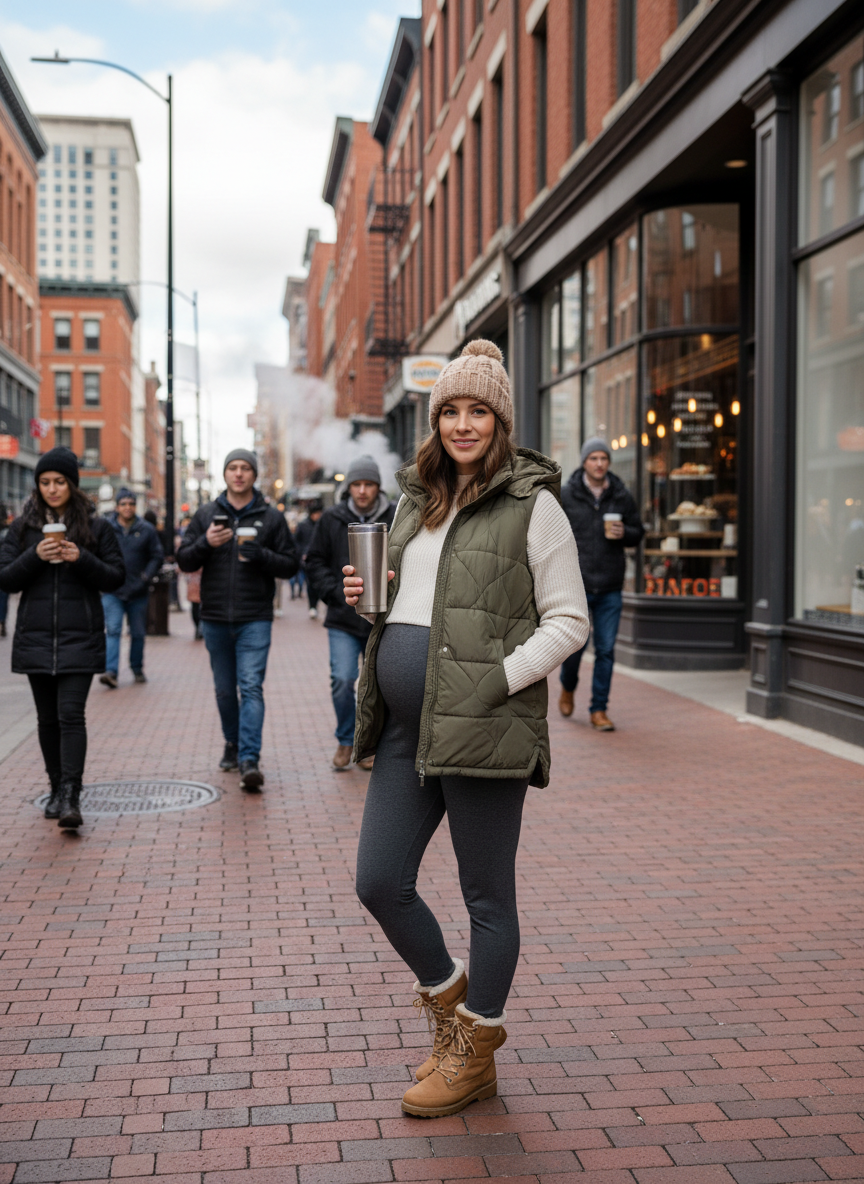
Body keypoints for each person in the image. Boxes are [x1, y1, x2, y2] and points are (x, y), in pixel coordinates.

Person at [342, 341, 589, 1118]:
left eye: (477, 410)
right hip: (409, 731)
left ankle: (475, 1052)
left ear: (500, 420)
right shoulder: (417, 501)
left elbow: (570, 621)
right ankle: (455, 1010)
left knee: (487, 897)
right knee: (379, 881)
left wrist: (494, 681)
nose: (461, 423)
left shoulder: (534, 506)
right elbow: (414, 607)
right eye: (450, 409)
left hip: (483, 727)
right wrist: (368, 602)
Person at [0, 447, 125, 829]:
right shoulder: (22, 528)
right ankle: (55, 788)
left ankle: (71, 794)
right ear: (37, 486)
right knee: (47, 719)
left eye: (59, 482)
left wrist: (80, 558)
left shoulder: (96, 526)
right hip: (36, 635)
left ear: (72, 484)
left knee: (71, 715)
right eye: (45, 482)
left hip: (80, 635)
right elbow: (5, 578)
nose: (52, 489)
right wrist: (36, 555)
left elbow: (116, 576)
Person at [177, 449, 298, 790]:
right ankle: (232, 743)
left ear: (254, 474)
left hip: (255, 617)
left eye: (245, 468)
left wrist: (261, 555)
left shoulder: (271, 517)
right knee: (223, 691)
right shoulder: (206, 515)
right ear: (225, 473)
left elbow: (290, 564)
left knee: (251, 686)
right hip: (214, 616)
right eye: (233, 467)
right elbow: (184, 559)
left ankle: (249, 759)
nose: (239, 473)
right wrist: (206, 542)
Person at [305, 457, 395, 771]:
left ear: (377, 487)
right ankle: (346, 739)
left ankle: (368, 744)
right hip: (342, 619)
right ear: (348, 488)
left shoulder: (394, 514)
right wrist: (335, 593)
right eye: (356, 485)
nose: (361, 491)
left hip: (383, 619)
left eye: (368, 484)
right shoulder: (332, 518)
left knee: (380, 684)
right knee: (342, 680)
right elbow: (314, 561)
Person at [558, 437, 644, 731]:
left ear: (608, 462)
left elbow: (638, 531)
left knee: (606, 650)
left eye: (603, 458)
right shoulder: (567, 494)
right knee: (575, 648)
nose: (599, 463)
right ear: (584, 462)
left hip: (610, 585)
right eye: (593, 458)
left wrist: (626, 533)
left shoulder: (621, 494)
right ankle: (568, 686)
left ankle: (599, 710)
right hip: (577, 584)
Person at [99, 488, 163, 688]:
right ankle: (111, 671)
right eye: (124, 504)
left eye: (131, 504)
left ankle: (136, 668)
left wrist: (146, 577)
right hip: (112, 590)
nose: (128, 507)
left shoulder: (146, 529)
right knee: (113, 630)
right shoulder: (107, 528)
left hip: (138, 590)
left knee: (137, 633)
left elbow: (157, 556)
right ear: (117, 507)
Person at [293, 502, 323, 618]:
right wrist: (302, 554)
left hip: (320, 559)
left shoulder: (322, 525)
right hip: (307, 560)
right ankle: (312, 606)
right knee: (310, 584)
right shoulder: (303, 525)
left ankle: (315, 605)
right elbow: (297, 542)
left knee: (318, 584)